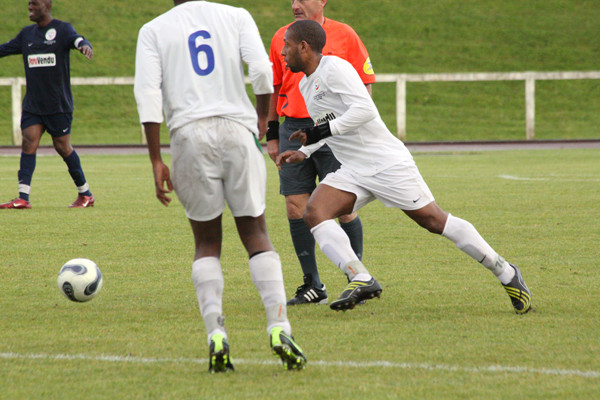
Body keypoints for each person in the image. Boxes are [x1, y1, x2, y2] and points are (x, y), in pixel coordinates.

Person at [276, 20, 532, 314]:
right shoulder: (308, 83)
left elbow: (364, 110)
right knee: (315, 212)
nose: (283, 52)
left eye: (287, 45)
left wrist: (318, 134)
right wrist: (304, 151)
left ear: (304, 47)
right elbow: (326, 125)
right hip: (354, 168)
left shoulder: (335, 69)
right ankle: (361, 277)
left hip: (386, 163)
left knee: (434, 221)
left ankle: (506, 272)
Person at [134, 0, 307, 373]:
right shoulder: (236, 15)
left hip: (188, 135)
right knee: (256, 232)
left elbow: (148, 95)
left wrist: (155, 159)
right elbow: (262, 70)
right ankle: (279, 326)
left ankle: (216, 333)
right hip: (238, 131)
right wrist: (262, 116)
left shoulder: (154, 29)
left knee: (207, 242)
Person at [266, 0, 375, 306]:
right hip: (292, 130)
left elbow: (364, 88)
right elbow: (274, 87)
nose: (294, 4)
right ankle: (312, 284)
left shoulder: (345, 35)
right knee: (294, 206)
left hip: (334, 129)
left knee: (342, 206)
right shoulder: (279, 37)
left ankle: (357, 279)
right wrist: (272, 134)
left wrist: (352, 129)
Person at [0, 0, 94, 209]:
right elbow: (4, 49)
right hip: (34, 104)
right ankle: (23, 197)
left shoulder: (62, 29)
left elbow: (77, 39)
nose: (29, 8)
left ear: (46, 5)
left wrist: (84, 45)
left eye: (33, 4)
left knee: (62, 147)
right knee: (28, 141)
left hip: (58, 104)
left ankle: (85, 194)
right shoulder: (27, 35)